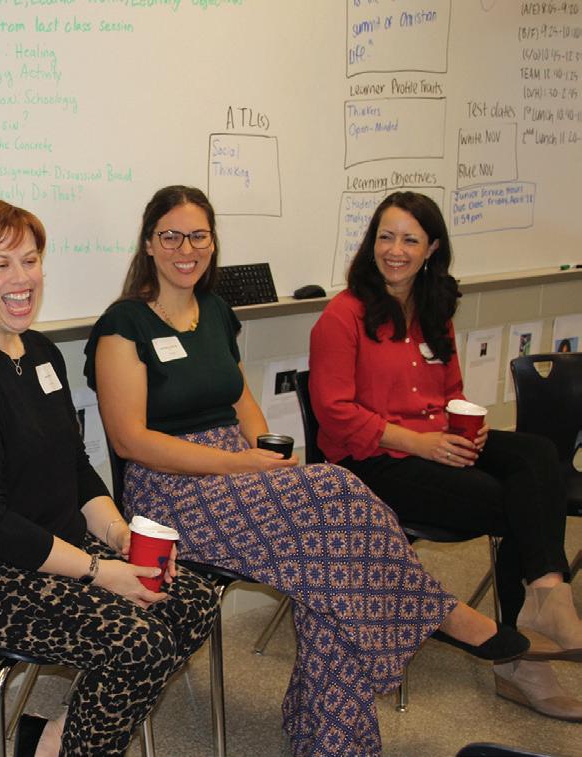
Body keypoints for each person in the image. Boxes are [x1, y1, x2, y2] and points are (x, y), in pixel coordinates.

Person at [84, 185, 530, 757]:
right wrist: (238, 464)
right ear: (149, 244)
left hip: (236, 472)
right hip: (169, 496)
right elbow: (132, 441)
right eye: (171, 236)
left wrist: (263, 457)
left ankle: (330, 737)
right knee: (335, 490)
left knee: (331, 560)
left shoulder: (215, 311)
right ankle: (439, 614)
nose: (185, 249)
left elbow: (241, 401)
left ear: (213, 243)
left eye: (198, 236)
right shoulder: (123, 325)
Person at [0, 199, 219, 756]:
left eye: (30, 260)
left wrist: (119, 537)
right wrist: (100, 572)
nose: (21, 279)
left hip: (47, 548)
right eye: (0, 264)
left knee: (191, 599)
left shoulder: (41, 352)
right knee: (136, 644)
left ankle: (56, 738)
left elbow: (73, 464)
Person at [309, 190, 582, 722]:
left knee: (536, 455)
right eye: (385, 237)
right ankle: (519, 660)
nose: (395, 250)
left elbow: (450, 390)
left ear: (431, 248)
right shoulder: (343, 316)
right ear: (371, 243)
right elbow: (335, 414)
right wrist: (422, 443)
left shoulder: (434, 308)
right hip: (372, 461)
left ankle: (547, 596)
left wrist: (470, 432)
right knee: (516, 504)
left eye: (410, 240)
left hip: (435, 441)